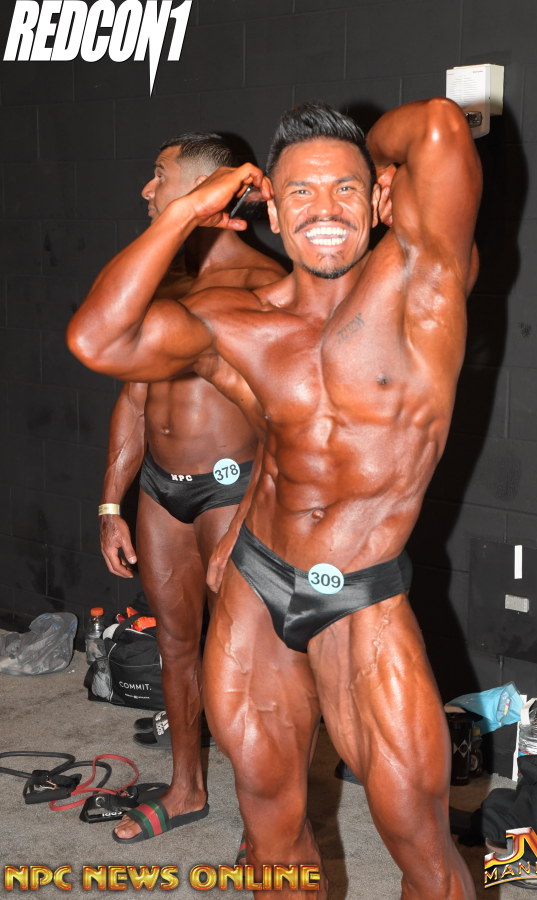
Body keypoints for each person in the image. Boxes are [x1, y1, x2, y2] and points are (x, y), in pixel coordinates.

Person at [68, 97, 481, 897]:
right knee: (270, 830)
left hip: (361, 597)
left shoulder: (425, 285)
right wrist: (185, 211)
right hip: (258, 589)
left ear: (380, 200)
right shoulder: (238, 321)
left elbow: (439, 124)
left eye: (345, 190)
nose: (324, 209)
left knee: (421, 842)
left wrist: (369, 157)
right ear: (272, 214)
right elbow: (98, 339)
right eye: (301, 193)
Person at [98, 132, 285, 843]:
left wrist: (245, 524)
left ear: (210, 188)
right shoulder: (159, 279)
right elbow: (133, 396)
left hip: (234, 492)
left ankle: (268, 826)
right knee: (176, 644)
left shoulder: (266, 285)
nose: (147, 190)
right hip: (160, 492)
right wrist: (111, 503)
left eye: (160, 175)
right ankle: (185, 789)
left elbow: (287, 420)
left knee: (251, 663)